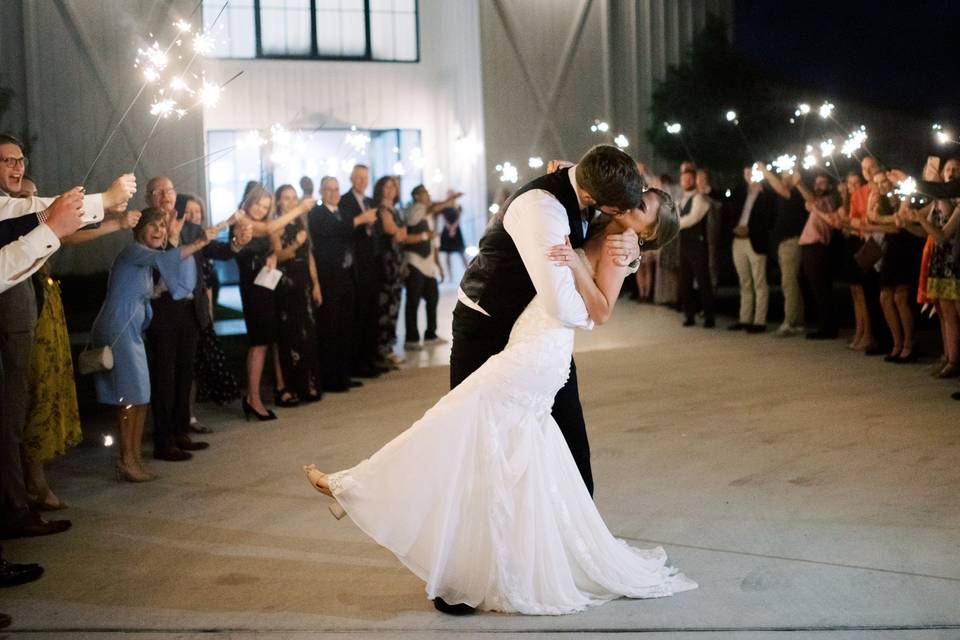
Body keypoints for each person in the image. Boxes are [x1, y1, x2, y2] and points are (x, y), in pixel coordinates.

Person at [302, 185, 695, 615]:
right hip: (525, 338)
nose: (633, 205)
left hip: (541, 351)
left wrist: (575, 266)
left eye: (643, 210)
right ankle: (508, 563)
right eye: (639, 198)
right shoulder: (599, 220)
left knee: (457, 417)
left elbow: (599, 312)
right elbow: (580, 183)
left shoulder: (623, 244)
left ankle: (357, 487)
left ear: (649, 232)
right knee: (505, 449)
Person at [19, 178, 141, 509]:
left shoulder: (40, 222)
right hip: (26, 311)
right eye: (26, 198)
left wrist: (112, 218)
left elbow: (67, 232)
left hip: (48, 306)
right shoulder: (14, 227)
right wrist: (112, 217)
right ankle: (30, 481)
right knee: (30, 394)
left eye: (35, 196)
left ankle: (35, 475)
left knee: (48, 388)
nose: (33, 201)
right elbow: (65, 235)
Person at [91, 208, 217, 481]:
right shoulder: (134, 251)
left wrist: (158, 291)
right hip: (120, 329)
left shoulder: (145, 262)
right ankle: (127, 460)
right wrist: (200, 241)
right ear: (139, 230)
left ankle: (133, 458)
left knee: (139, 396)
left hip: (132, 331)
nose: (159, 230)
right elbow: (171, 257)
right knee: (129, 397)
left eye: (163, 225)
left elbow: (154, 286)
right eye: (153, 225)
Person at [233, 186, 315, 419]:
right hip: (252, 287)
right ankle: (253, 399)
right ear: (248, 203)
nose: (261, 209)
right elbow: (269, 228)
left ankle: (253, 396)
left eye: (266, 207)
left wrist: (270, 255)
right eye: (258, 204)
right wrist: (299, 208)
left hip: (267, 285)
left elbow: (268, 243)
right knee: (258, 344)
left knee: (262, 344)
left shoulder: (260, 225)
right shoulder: (242, 221)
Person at [308, 176, 373, 392]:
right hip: (328, 277)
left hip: (347, 275)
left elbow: (352, 233)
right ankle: (329, 377)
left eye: (336, 189)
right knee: (330, 327)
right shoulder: (317, 213)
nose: (334, 193)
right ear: (321, 191)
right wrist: (359, 220)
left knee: (346, 326)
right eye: (329, 189)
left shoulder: (343, 212)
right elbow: (332, 230)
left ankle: (343, 374)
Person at [272, 184, 322, 404]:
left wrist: (316, 283)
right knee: (289, 334)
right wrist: (295, 244)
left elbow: (309, 255)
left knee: (307, 334)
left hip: (304, 281)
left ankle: (308, 384)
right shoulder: (276, 226)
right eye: (286, 198)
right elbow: (278, 256)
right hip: (286, 281)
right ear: (279, 201)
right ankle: (288, 387)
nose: (291, 201)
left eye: (293, 198)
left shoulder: (302, 222)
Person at [869, 171, 925, 363]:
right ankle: (897, 343)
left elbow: (901, 219)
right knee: (885, 297)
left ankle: (910, 344)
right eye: (878, 183)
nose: (882, 185)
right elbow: (871, 217)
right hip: (891, 248)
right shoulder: (882, 200)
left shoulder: (903, 193)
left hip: (906, 246)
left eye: (884, 181)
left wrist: (882, 219)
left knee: (901, 298)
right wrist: (887, 219)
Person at [403, 185, 461, 350]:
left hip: (428, 264)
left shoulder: (430, 215)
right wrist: (448, 200)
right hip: (414, 261)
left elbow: (434, 243)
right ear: (416, 196)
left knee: (433, 297)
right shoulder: (415, 210)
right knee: (413, 301)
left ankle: (430, 335)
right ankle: (411, 339)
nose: (428, 196)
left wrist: (439, 266)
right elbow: (429, 211)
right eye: (424, 193)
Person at [340, 165, 383, 377]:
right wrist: (361, 221)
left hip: (372, 263)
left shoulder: (370, 202)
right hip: (356, 264)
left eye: (365, 178)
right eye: (358, 177)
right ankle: (359, 363)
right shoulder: (344, 201)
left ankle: (371, 357)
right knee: (359, 314)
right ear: (351, 178)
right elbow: (344, 230)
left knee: (372, 312)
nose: (361, 181)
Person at [726, 166, 773, 332]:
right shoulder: (741, 193)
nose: (749, 176)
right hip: (739, 241)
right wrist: (735, 228)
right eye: (746, 173)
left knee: (759, 282)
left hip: (755, 241)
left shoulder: (765, 194)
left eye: (751, 173)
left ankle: (760, 321)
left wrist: (750, 230)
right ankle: (745, 318)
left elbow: (768, 220)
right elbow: (731, 209)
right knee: (744, 282)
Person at [763, 166, 807, 337]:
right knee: (792, 283)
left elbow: (778, 187)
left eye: (786, 175)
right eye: (781, 175)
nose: (782, 178)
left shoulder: (794, 193)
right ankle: (799, 321)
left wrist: (764, 170)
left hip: (792, 243)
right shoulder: (785, 193)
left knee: (788, 283)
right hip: (784, 243)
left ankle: (789, 322)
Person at [798, 172, 842, 339]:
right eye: (816, 183)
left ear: (829, 186)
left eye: (822, 183)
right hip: (810, 247)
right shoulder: (818, 201)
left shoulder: (829, 200)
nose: (818, 186)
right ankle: (823, 324)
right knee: (815, 287)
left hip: (818, 247)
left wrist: (798, 183)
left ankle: (828, 327)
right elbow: (809, 203)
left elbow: (812, 202)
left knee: (821, 288)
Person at [373, 176, 407, 364]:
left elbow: (403, 234)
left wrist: (399, 233)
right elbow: (392, 230)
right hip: (385, 263)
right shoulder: (381, 209)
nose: (390, 190)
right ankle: (383, 349)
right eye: (386, 187)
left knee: (395, 305)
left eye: (393, 187)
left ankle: (390, 346)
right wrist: (398, 232)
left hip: (397, 261)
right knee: (385, 307)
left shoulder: (396, 210)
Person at [677, 167, 715, 328]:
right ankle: (689, 315)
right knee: (684, 282)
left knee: (703, 280)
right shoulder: (680, 201)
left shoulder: (699, 199)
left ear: (693, 181)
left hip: (698, 245)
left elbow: (693, 218)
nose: (686, 182)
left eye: (689, 179)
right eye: (683, 179)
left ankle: (709, 316)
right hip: (684, 245)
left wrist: (675, 224)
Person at [437, 194, 468, 277]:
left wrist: (453, 228)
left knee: (461, 253)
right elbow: (444, 219)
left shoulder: (458, 207)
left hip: (456, 231)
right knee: (448, 254)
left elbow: (458, 219)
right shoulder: (444, 208)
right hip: (447, 231)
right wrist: (450, 228)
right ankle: (450, 275)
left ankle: (468, 272)